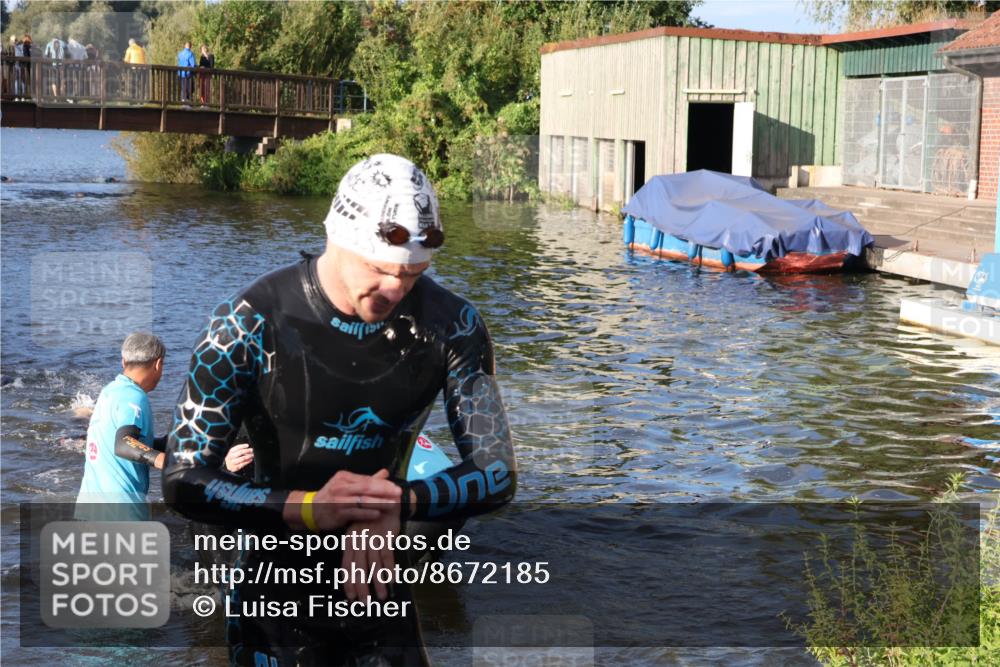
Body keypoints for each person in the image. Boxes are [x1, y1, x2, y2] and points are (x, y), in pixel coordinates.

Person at [164, 154, 517, 666]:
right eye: (380, 269)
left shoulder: (453, 325)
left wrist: (396, 503)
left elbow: (497, 473)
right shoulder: (247, 323)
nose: (397, 290)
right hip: (275, 591)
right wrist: (309, 507)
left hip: (378, 582)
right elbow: (182, 479)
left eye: (414, 275)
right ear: (338, 237)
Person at [75, 333, 168, 521]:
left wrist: (172, 444)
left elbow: (118, 442)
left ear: (123, 361)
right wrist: (166, 462)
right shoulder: (135, 396)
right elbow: (124, 444)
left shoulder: (110, 391)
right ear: (158, 364)